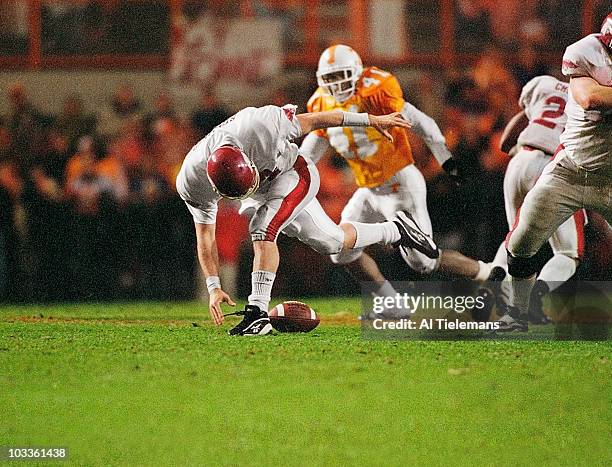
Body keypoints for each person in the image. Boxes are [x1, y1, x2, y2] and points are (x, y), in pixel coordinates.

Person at [176, 103, 432, 335]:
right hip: (264, 189)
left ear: (249, 161)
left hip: (292, 173)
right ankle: (396, 230)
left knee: (263, 227)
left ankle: (257, 313)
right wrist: (213, 286)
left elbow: (320, 119)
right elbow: (205, 235)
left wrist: (371, 120)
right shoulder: (192, 181)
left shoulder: (260, 125)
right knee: (332, 242)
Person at [299, 44, 491, 315]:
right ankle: (392, 303)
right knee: (340, 251)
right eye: (330, 78)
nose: (337, 84)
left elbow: (421, 122)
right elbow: (314, 146)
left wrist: (445, 158)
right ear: (321, 80)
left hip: (399, 183)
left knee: (423, 262)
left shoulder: (376, 90)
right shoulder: (320, 103)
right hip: (368, 189)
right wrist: (292, 168)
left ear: (356, 72)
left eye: (342, 75)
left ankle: (489, 272)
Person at [501, 14, 612, 331]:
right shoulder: (585, 52)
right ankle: (518, 313)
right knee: (520, 244)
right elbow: (590, 98)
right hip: (568, 171)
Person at [478, 76, 586, 326]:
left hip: (520, 160)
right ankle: (535, 300)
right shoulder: (592, 96)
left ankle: (492, 283)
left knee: (515, 240)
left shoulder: (543, 84)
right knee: (569, 253)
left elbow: (509, 138)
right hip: (554, 168)